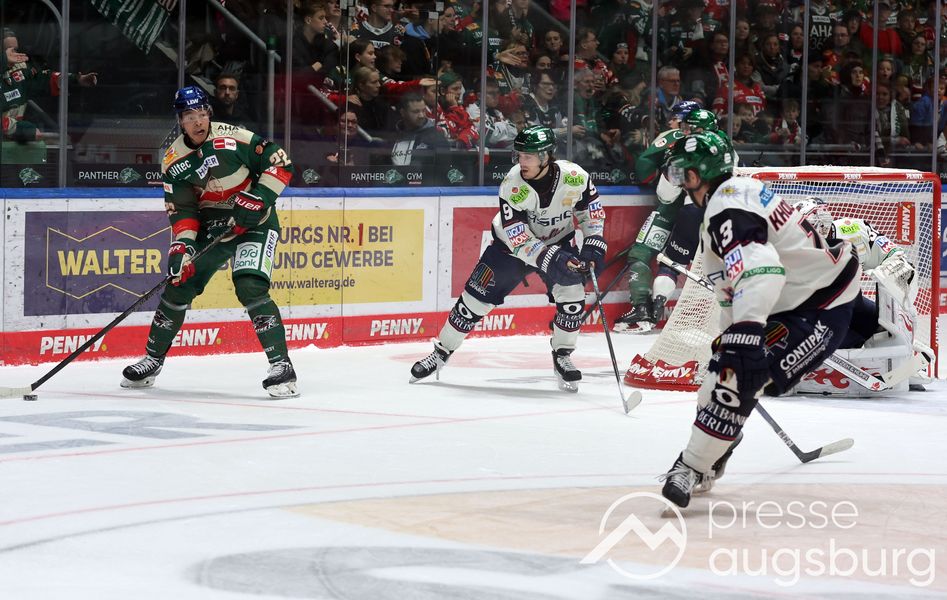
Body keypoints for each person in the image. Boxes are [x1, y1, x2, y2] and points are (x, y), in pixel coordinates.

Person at [659, 132, 862, 508]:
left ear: (698, 175)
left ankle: (691, 465)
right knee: (717, 378)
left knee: (737, 380)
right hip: (791, 301)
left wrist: (748, 333)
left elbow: (763, 270)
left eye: (682, 174)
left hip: (821, 304)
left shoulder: (727, 207)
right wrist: (733, 338)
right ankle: (717, 447)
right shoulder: (735, 196)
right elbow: (734, 288)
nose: (680, 183)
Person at [121, 86, 298, 398]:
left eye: (202, 114)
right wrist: (182, 246)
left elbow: (280, 163)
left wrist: (259, 198)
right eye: (190, 116)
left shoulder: (234, 137)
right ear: (180, 121)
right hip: (213, 227)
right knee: (179, 284)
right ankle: (152, 360)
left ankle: (282, 366)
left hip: (255, 224)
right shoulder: (173, 160)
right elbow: (184, 210)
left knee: (250, 285)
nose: (198, 121)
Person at [409, 125, 606, 392]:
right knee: (472, 303)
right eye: (519, 155)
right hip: (509, 249)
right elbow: (518, 237)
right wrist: (552, 258)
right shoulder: (513, 185)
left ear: (546, 156)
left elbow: (591, 213)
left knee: (573, 298)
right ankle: (441, 352)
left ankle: (562, 354)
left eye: (528, 156)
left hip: (558, 242)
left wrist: (594, 244)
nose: (521, 161)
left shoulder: (575, 177)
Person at [792, 198, 931, 392]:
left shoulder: (853, 230)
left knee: (884, 325)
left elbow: (895, 255)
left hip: (851, 308)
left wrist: (890, 271)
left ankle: (902, 356)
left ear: (821, 224)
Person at [613, 100, 697, 333]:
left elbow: (645, 171)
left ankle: (643, 308)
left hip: (674, 210)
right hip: (709, 213)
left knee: (642, 252)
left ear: (686, 122)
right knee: (680, 262)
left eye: (675, 118)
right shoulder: (721, 142)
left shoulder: (674, 138)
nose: (670, 121)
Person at [1, 28, 97, 143]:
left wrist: (77, 79)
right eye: (7, 50)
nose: (14, 54)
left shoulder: (21, 70)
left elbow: (46, 78)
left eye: (15, 49)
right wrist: (25, 130)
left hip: (11, 143)